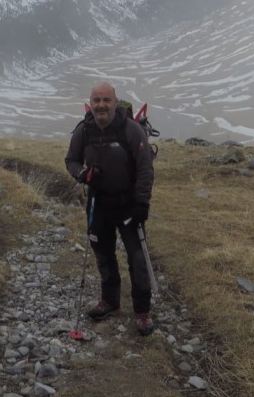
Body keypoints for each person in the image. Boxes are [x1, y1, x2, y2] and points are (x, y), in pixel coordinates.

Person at [65, 81, 156, 336]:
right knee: (103, 254)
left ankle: (142, 312)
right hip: (98, 203)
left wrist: (141, 203)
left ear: (115, 102)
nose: (101, 105)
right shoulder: (84, 130)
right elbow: (70, 160)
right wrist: (82, 174)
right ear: (91, 103)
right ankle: (111, 302)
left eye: (106, 100)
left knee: (137, 258)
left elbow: (145, 169)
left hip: (129, 204)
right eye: (97, 100)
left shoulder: (131, 130)